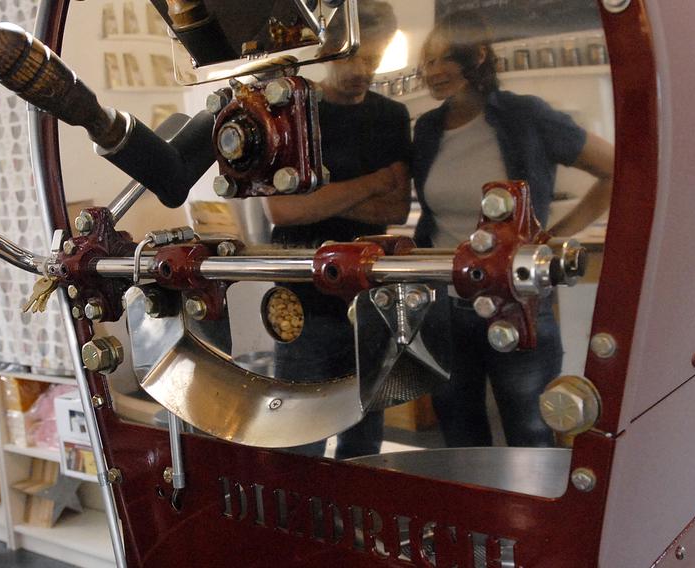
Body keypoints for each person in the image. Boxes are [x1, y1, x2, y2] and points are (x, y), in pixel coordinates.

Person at [412, 11, 614, 447]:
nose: (432, 72)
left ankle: (536, 515)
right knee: (459, 431)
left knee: (531, 429)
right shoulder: (427, 129)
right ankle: (468, 516)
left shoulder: (526, 117)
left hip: (516, 301)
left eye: (442, 59)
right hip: (444, 303)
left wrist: (556, 234)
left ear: (477, 56)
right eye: (426, 63)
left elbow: (616, 169)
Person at [263, 1, 413, 459]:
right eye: (352, 56)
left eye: (373, 57)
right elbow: (283, 212)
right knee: (299, 433)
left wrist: (321, 196)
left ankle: (360, 529)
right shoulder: (294, 113)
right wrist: (372, 183)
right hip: (301, 301)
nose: (362, 69)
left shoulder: (391, 116)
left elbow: (398, 205)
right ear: (327, 52)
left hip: (370, 299)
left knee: (365, 434)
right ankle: (298, 527)